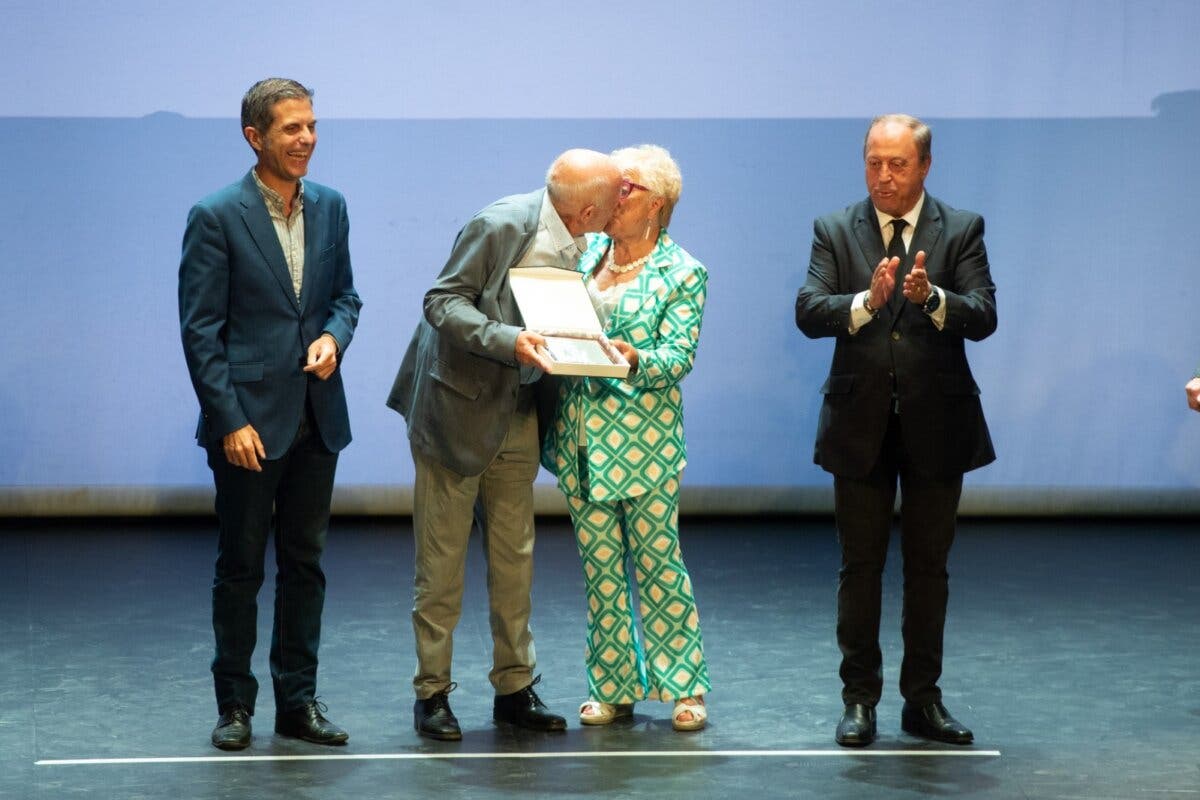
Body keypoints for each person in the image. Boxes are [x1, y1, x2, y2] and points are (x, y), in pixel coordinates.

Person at [386, 149, 623, 740]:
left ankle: (515, 686)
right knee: (440, 566)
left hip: (518, 409)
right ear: (590, 207)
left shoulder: (590, 241)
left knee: (515, 559)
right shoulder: (501, 225)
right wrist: (509, 340)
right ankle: (432, 693)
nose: (625, 203)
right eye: (618, 194)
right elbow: (441, 302)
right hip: (456, 409)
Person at [795, 114, 997, 747]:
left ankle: (922, 700)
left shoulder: (960, 229)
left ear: (925, 167)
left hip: (939, 422)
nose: (883, 176)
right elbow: (808, 311)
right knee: (860, 569)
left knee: (928, 570)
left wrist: (932, 298)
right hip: (860, 426)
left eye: (898, 164)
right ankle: (859, 701)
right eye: (874, 163)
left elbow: (985, 314)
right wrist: (867, 303)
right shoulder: (835, 229)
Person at [179, 78, 361, 751]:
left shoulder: (332, 207)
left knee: (305, 563)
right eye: (292, 128)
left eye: (312, 125)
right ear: (255, 137)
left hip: (317, 415)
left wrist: (333, 337)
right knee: (242, 568)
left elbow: (346, 297)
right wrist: (230, 420)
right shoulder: (216, 215)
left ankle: (298, 702)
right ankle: (234, 705)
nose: (307, 138)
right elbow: (202, 332)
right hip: (248, 425)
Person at [541, 145, 712, 731]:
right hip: (582, 439)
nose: (614, 196)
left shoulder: (683, 271)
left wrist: (638, 360)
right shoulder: (584, 253)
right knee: (601, 569)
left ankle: (685, 685)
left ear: (656, 204)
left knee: (660, 564)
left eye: (627, 188)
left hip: (644, 443)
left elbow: (678, 356)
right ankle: (610, 684)